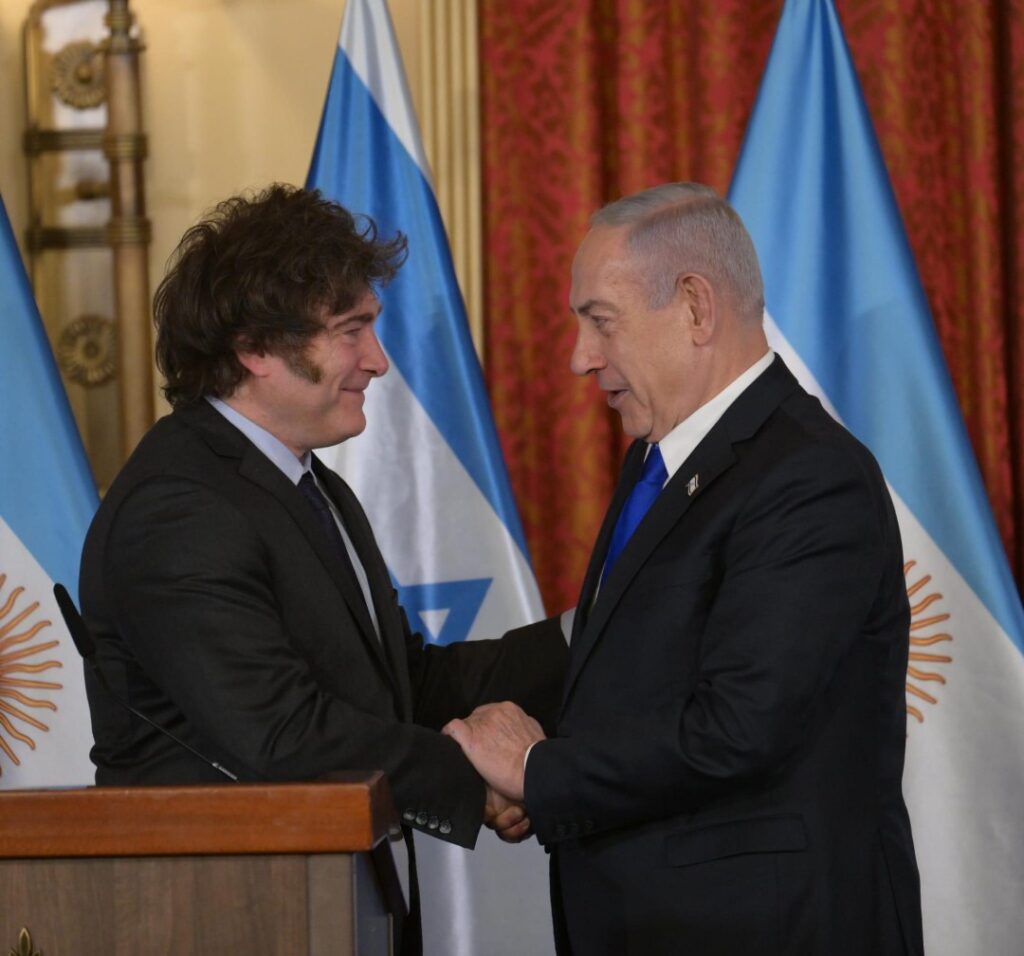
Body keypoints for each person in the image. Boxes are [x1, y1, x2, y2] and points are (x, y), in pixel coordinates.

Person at [78, 184, 567, 955]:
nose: (378, 361)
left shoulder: (309, 486)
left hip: (322, 903)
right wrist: (482, 778)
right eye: (351, 330)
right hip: (220, 918)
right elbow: (282, 735)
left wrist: (588, 634)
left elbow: (403, 684)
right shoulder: (179, 508)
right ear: (255, 347)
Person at [443, 183, 925, 955]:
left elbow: (737, 728)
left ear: (696, 307)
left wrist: (538, 771)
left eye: (601, 322)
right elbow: (638, 674)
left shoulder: (808, 476)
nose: (579, 357)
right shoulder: (658, 461)